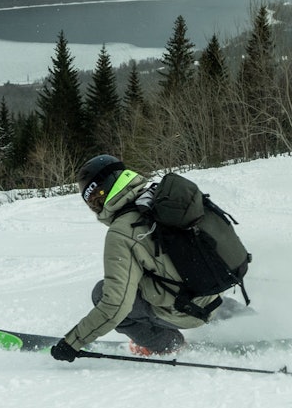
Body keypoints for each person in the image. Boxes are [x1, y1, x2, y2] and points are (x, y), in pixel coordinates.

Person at [50, 154, 241, 362]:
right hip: (212, 291)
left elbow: (115, 305)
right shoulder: (159, 197)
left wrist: (73, 342)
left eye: (94, 199)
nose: (94, 208)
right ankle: (247, 320)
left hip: (189, 310)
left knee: (102, 292)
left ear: (105, 191)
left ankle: (167, 344)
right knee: (156, 274)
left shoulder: (121, 232)